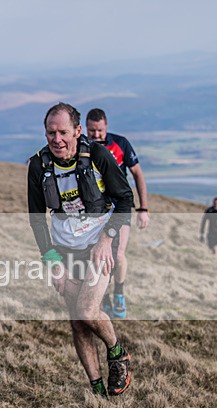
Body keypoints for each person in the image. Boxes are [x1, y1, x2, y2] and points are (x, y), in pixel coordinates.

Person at [28, 103, 134, 398]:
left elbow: (125, 199)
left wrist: (106, 239)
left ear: (77, 131)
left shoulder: (98, 156)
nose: (57, 139)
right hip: (64, 251)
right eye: (51, 132)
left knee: (88, 309)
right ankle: (97, 388)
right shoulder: (38, 165)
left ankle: (118, 354)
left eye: (63, 132)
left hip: (100, 245)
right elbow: (37, 219)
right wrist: (53, 263)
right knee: (78, 322)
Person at [86, 108, 149, 319]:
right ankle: (102, 295)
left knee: (118, 255)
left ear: (106, 127)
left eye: (100, 130)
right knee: (95, 255)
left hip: (119, 207)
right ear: (85, 128)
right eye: (92, 130)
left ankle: (119, 293)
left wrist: (143, 208)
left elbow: (138, 174)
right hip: (94, 211)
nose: (96, 135)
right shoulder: (82, 147)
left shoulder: (120, 144)